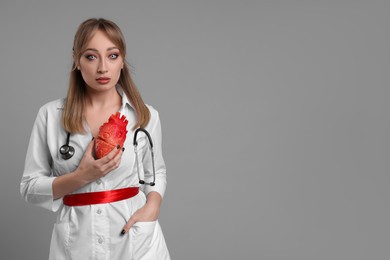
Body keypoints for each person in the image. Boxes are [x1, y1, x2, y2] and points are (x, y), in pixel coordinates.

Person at [20, 18, 170, 260]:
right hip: (76, 242)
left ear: (122, 61)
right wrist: (81, 177)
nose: (103, 67)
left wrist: (153, 205)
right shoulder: (49, 116)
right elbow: (29, 188)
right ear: (76, 60)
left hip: (135, 240)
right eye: (91, 56)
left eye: (112, 56)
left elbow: (155, 174)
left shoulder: (145, 116)